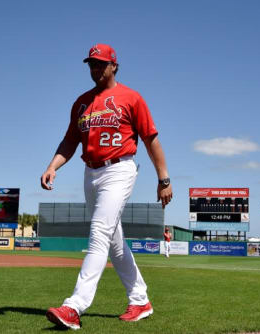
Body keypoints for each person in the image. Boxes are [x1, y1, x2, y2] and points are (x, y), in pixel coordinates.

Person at [40, 43, 172, 330]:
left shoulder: (131, 98)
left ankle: (75, 306)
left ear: (114, 66)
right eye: (92, 64)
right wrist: (52, 166)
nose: (96, 68)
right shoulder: (82, 102)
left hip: (120, 168)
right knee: (114, 243)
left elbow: (151, 139)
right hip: (91, 172)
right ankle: (140, 300)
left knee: (99, 233)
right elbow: (69, 141)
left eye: (101, 63)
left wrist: (164, 179)